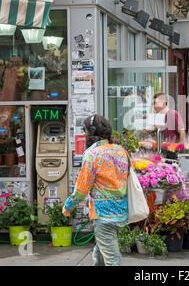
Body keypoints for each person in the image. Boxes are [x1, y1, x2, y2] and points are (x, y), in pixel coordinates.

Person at [62, 114, 129, 266]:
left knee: (112, 259)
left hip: (103, 213)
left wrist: (68, 206)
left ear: (90, 132)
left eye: (84, 130)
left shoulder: (93, 154)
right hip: (121, 211)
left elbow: (82, 187)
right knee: (100, 251)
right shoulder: (120, 150)